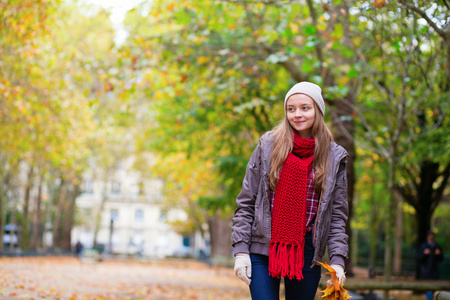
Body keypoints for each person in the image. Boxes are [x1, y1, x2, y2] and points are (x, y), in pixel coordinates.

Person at [231, 82, 349, 300]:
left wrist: (338, 260)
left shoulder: (334, 157)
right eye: (291, 109)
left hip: (307, 253)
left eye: (305, 107)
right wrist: (240, 251)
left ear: (318, 110)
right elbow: (246, 202)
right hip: (262, 248)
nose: (297, 114)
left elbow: (337, 217)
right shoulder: (267, 147)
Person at [417, 231, 444, 300]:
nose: (431, 237)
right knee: (429, 290)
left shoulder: (437, 246)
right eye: (430, 236)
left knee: (432, 289)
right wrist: (424, 254)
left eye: (432, 236)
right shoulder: (423, 246)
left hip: (434, 272)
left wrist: (439, 254)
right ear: (427, 237)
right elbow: (419, 257)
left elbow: (441, 259)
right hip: (426, 272)